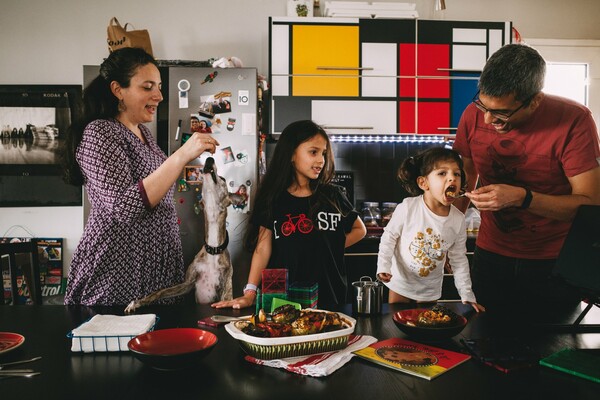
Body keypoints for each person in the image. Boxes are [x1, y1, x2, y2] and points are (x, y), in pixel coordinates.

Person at [62, 47, 219, 306]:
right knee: (114, 343)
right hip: (117, 274)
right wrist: (181, 155)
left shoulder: (144, 136)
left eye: (158, 86)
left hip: (155, 274)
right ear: (117, 90)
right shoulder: (100, 133)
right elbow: (124, 207)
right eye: (147, 87)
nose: (158, 95)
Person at [453, 43, 600, 307]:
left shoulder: (575, 120)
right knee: (483, 340)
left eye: (502, 113)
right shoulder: (473, 115)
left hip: (554, 264)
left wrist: (523, 198)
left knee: (549, 346)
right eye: (483, 106)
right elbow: (464, 173)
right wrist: (445, 235)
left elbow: (591, 205)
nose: (487, 120)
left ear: (535, 100)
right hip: (489, 256)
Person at [212, 120, 366, 309]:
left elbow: (360, 229)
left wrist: (329, 245)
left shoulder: (332, 194)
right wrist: (250, 293)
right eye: (313, 152)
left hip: (330, 296)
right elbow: (262, 248)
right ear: (292, 154)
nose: (321, 160)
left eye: (324, 154)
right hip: (284, 300)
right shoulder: (273, 198)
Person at [376, 147, 485, 312]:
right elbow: (389, 237)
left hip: (429, 291)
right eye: (442, 173)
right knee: (396, 326)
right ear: (423, 183)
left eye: (456, 174)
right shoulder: (408, 207)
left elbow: (458, 260)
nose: (452, 179)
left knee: (426, 328)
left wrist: (467, 294)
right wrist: (383, 266)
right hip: (400, 285)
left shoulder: (458, 219)